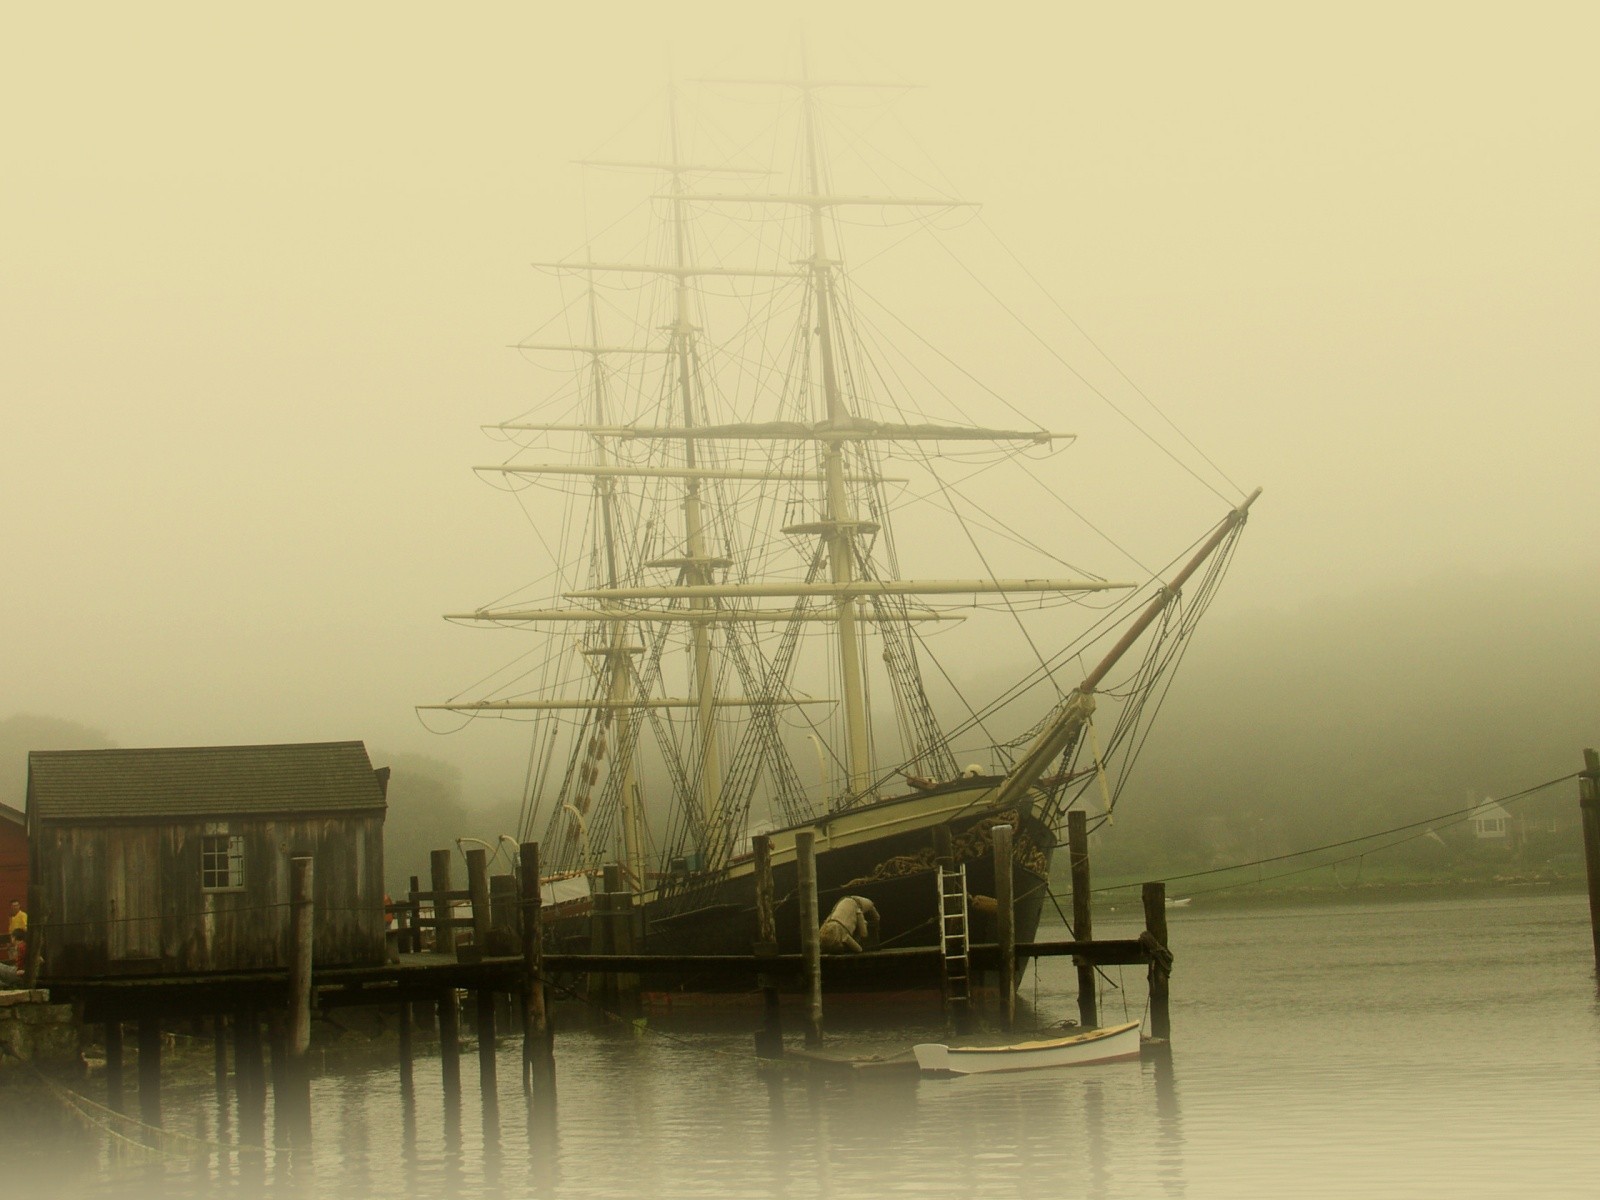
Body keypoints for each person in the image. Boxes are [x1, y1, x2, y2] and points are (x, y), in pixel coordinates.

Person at [7, 900, 24, 965]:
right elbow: (10, 930)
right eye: (13, 906)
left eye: (17, 905)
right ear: (11, 907)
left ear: (19, 906)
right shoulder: (12, 917)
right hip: (13, 941)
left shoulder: (23, 915)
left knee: (18, 958)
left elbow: (25, 928)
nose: (15, 907)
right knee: (12, 959)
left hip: (20, 940)